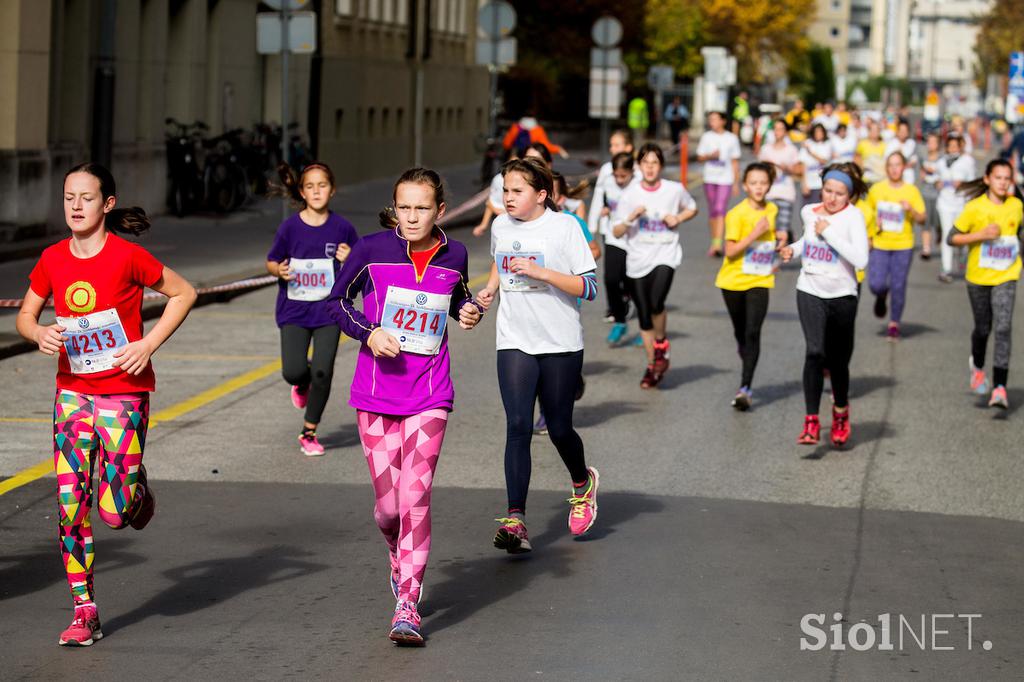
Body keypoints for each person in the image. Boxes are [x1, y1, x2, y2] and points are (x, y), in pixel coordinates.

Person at [16, 163, 197, 646]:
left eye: (87, 198)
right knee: (70, 504)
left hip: (123, 393)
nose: (76, 206)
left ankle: (137, 493)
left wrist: (147, 345)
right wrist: (38, 333)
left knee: (115, 512)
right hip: (72, 394)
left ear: (107, 204)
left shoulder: (128, 256)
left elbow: (184, 292)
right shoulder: (53, 258)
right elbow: (27, 314)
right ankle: (84, 610)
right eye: (68, 197)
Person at [327, 167, 483, 645]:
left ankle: (408, 604)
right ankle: (396, 554)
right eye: (404, 207)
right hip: (375, 394)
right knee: (388, 509)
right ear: (394, 208)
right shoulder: (371, 251)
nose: (412, 217)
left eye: (421, 208)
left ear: (440, 210)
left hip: (430, 393)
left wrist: (468, 311)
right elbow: (338, 301)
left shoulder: (455, 253)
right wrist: (368, 332)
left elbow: (456, 299)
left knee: (415, 499)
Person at [476, 158, 601, 554]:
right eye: (505, 191)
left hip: (560, 342)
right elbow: (499, 263)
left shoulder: (564, 227)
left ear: (541, 194)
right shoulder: (500, 225)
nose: (508, 199)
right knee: (518, 425)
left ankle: (582, 483)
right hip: (515, 339)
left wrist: (542, 273)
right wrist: (491, 290)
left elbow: (591, 288)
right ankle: (516, 519)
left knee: (560, 428)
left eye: (517, 191)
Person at [266, 162, 358, 456]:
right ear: (302, 192)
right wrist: (278, 271)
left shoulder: (343, 227)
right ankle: (300, 383)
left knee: (323, 371)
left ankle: (309, 431)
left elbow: (361, 264)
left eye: (322, 185)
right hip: (294, 309)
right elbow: (271, 260)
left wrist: (351, 257)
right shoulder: (290, 227)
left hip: (328, 312)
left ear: (332, 190)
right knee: (293, 370)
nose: (317, 191)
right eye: (310, 186)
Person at [779, 163, 870, 446]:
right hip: (810, 289)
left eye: (839, 193)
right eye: (828, 190)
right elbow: (808, 241)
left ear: (850, 196)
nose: (831, 198)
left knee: (838, 361)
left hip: (842, 295)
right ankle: (811, 421)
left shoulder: (854, 217)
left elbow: (861, 259)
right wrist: (792, 250)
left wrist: (829, 232)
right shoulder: (809, 212)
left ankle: (840, 411)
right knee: (815, 353)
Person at [612, 143, 699, 388]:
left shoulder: (674, 189)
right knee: (644, 316)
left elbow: (693, 207)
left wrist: (678, 218)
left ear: (661, 166)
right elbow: (617, 232)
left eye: (655, 163)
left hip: (665, 253)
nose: (650, 168)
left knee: (656, 302)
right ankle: (652, 365)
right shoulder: (629, 194)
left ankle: (661, 344)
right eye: (645, 163)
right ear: (639, 166)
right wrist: (631, 218)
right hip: (637, 258)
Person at [947, 159, 1023, 409]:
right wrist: (981, 235)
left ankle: (1000, 387)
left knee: (1003, 328)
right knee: (983, 328)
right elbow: (952, 238)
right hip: (978, 277)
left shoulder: (1016, 206)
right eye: (998, 177)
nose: (1002, 183)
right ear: (988, 179)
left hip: (1007, 275)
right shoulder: (974, 208)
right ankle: (977, 366)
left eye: (1007, 178)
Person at [715, 162, 784, 410]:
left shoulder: (773, 209)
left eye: (763, 183)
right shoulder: (736, 214)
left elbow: (769, 239)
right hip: (732, 281)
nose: (758, 187)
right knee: (741, 333)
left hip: (759, 279)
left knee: (753, 331)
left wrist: (778, 246)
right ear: (745, 185)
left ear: (769, 185)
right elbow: (730, 251)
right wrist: (755, 233)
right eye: (753, 183)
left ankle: (745, 388)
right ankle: (744, 350)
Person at [864, 152, 926, 340]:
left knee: (898, 285)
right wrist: (872, 230)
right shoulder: (876, 189)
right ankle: (881, 296)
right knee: (876, 284)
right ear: (886, 168)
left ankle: (894, 323)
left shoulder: (911, 191)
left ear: (904, 167)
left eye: (898, 164)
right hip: (880, 242)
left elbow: (923, 218)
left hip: (903, 244)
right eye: (890, 165)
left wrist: (911, 210)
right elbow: (867, 214)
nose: (894, 168)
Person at [587, 129, 637, 325]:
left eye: (617, 145)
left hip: (632, 234)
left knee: (626, 272)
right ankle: (615, 309)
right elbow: (601, 196)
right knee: (611, 275)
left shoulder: (638, 171)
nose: (612, 148)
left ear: (628, 148)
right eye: (611, 145)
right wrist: (593, 224)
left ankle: (626, 297)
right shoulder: (607, 169)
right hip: (610, 230)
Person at [596, 152, 640, 344]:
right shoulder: (608, 182)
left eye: (624, 176)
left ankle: (644, 329)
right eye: (617, 175)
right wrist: (605, 209)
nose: (620, 179)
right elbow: (606, 200)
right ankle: (620, 321)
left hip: (635, 239)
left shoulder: (639, 187)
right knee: (611, 279)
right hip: (613, 235)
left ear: (632, 172)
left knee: (632, 281)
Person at [696, 111, 742, 256]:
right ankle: (714, 240)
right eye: (710, 120)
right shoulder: (706, 137)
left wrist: (736, 183)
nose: (712, 122)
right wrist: (710, 156)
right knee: (713, 211)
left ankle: (718, 244)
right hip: (710, 178)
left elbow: (735, 161)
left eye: (715, 119)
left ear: (723, 121)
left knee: (720, 209)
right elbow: (700, 157)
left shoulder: (731, 138)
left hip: (725, 179)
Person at [936, 135, 977, 282]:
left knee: (961, 236)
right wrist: (938, 183)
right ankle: (946, 269)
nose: (952, 149)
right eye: (950, 146)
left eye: (955, 146)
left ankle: (963, 258)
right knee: (947, 235)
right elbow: (934, 179)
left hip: (961, 204)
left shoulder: (967, 162)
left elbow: (973, 184)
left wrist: (962, 185)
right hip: (944, 204)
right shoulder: (941, 162)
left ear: (960, 147)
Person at [758, 119, 801, 244]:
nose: (777, 132)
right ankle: (770, 256)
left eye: (781, 129)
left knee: (782, 227)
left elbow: (799, 170)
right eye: (775, 129)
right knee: (769, 227)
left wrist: (787, 168)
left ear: (786, 132)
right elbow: (758, 170)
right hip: (768, 193)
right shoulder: (766, 149)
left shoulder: (791, 150)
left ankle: (777, 258)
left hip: (785, 193)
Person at [473, 147, 518, 238]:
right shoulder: (499, 180)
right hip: (507, 226)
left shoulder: (529, 181)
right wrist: (484, 224)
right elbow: (492, 202)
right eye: (512, 164)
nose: (516, 168)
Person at [918, 132, 943, 260]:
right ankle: (926, 249)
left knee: (938, 222)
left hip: (939, 196)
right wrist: (923, 175)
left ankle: (940, 232)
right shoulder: (923, 157)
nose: (931, 145)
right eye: (929, 142)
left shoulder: (943, 159)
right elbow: (921, 172)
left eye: (934, 142)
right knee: (926, 222)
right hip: (926, 193)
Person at [502, 114, 568, 159]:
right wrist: (558, 149)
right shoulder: (537, 130)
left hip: (516, 156)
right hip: (529, 157)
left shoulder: (515, 128)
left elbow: (506, 143)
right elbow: (546, 146)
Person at [800, 123, 833, 205]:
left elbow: (824, 161)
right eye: (816, 131)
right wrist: (804, 184)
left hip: (822, 184)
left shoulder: (827, 144)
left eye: (820, 131)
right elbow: (803, 165)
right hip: (809, 184)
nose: (819, 134)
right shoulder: (808, 143)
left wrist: (810, 152)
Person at [854, 120, 888, 185]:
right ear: (869, 131)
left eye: (876, 130)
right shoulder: (862, 144)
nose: (874, 132)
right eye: (872, 130)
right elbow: (857, 160)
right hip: (866, 179)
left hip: (880, 179)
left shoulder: (884, 145)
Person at [885, 120, 919, 185]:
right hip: (894, 175)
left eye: (905, 131)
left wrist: (904, 165)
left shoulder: (912, 143)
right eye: (901, 130)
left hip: (908, 176)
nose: (903, 133)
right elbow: (887, 160)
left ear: (908, 132)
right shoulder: (891, 144)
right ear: (897, 131)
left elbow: (914, 160)